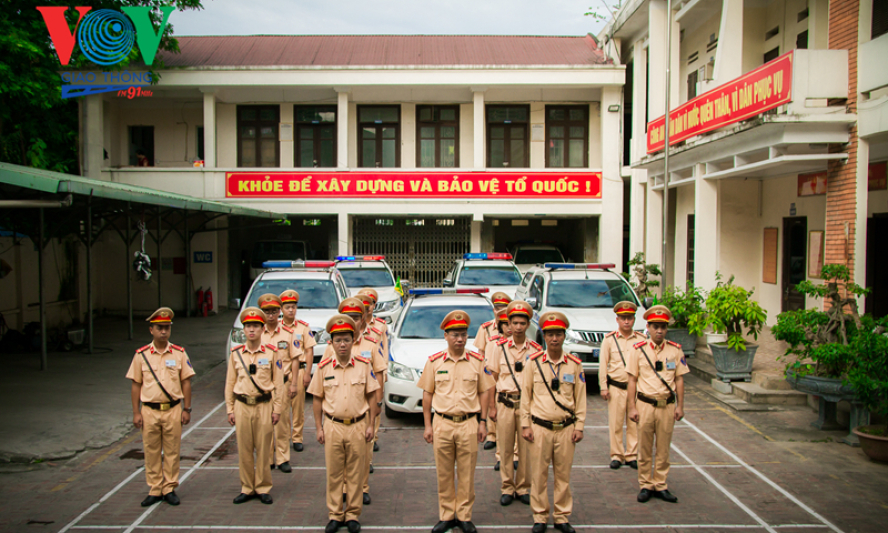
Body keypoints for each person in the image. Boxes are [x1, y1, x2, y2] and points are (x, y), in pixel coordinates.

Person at [419, 310, 495, 533]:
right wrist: (427, 425)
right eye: (455, 334)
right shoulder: (434, 362)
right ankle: (446, 514)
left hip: (468, 423)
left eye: (463, 334)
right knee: (443, 472)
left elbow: (484, 391)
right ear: (446, 335)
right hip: (442, 422)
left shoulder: (477, 361)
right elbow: (427, 395)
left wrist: (483, 422)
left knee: (466, 472)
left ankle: (463, 515)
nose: (460, 339)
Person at [308, 314, 379, 533]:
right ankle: (335, 514)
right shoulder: (323, 367)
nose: (342, 344)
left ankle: (353, 515)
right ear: (331, 342)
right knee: (334, 472)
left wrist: (370, 425)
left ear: (353, 340)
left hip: (358, 425)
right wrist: (319, 428)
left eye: (346, 339)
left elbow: (372, 396)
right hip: (333, 426)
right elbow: (317, 399)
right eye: (337, 340)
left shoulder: (363, 365)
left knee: (356, 472)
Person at [521, 312, 586, 533]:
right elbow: (525, 397)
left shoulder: (575, 364)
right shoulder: (533, 363)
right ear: (544, 337)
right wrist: (525, 425)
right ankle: (539, 517)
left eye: (558, 334)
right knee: (538, 475)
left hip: (566, 429)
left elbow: (581, 399)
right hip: (540, 427)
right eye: (550, 334)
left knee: (563, 475)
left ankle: (561, 516)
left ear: (564, 336)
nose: (554, 339)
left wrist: (579, 426)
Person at [126, 307, 194, 507]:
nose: (163, 331)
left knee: (172, 450)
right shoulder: (142, 355)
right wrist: (136, 412)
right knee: (151, 450)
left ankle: (169, 488)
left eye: (166, 327)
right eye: (159, 328)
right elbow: (136, 384)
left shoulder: (180, 353)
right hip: (149, 410)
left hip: (173, 409)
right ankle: (155, 488)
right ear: (151, 330)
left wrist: (186, 409)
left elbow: (186, 382)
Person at [323, 297, 386, 505]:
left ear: (363, 319)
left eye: (356, 317)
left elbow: (378, 373)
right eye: (348, 317)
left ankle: (362, 487)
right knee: (339, 456)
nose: (353, 320)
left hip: (364, 408)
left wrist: (377, 403)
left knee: (364, 453)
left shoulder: (372, 341)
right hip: (339, 408)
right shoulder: (332, 345)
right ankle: (342, 488)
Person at [627, 305, 688, 504]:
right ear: (648, 327)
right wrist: (632, 407)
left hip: (667, 406)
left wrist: (680, 406)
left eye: (662, 326)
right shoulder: (638, 350)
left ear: (666, 328)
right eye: (655, 326)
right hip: (645, 404)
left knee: (663, 448)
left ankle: (660, 484)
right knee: (644, 447)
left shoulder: (675, 350)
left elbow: (679, 379)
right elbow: (632, 380)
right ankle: (645, 484)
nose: (659, 330)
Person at [225, 307, 284, 505]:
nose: (252, 330)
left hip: (263, 405)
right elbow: (230, 383)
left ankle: (263, 487)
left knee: (264, 449)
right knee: (244, 449)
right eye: (248, 326)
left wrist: (277, 410)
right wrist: (230, 408)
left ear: (262, 329)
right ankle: (247, 487)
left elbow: (278, 384)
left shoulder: (272, 353)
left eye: (256, 326)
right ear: (244, 330)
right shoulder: (236, 354)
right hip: (242, 406)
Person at [488, 301, 539, 506]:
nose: (517, 327)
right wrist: (492, 407)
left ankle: (524, 487)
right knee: (506, 448)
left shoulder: (535, 349)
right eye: (514, 322)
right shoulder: (498, 348)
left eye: (522, 323)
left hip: (527, 405)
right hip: (505, 403)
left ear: (528, 324)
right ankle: (507, 487)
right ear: (508, 323)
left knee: (526, 449)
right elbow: (492, 377)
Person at [598, 301, 645, 470]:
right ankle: (616, 454)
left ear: (634, 320)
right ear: (617, 319)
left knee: (634, 422)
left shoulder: (641, 340)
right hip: (616, 386)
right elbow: (603, 363)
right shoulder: (609, 340)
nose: (627, 321)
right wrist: (603, 386)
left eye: (630, 318)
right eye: (623, 318)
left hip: (635, 388)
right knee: (616, 422)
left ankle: (632, 454)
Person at [257, 293, 301, 473]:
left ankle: (283, 458)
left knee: (282, 422)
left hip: (282, 382)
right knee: (265, 423)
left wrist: (294, 383)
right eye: (267, 311)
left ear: (279, 312)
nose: (271, 315)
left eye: (274, 311)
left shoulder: (289, 334)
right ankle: (268, 458)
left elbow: (296, 359)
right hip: (263, 385)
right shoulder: (257, 334)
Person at [280, 289, 316, 453]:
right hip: (281, 373)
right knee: (281, 408)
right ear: (282, 309)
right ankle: (284, 436)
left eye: (293, 307)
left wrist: (308, 372)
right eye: (287, 307)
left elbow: (309, 351)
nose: (290, 310)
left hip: (299, 370)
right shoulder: (275, 329)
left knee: (298, 408)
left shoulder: (303, 327)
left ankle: (297, 438)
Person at [474, 291, 512, 452]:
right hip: (489, 368)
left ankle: (503, 438)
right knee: (491, 401)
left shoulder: (511, 327)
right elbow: (480, 352)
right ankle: (492, 435)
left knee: (502, 401)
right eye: (497, 308)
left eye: (503, 308)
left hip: (506, 369)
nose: (499, 311)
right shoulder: (486, 328)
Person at [356, 289, 387, 457]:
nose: (368, 309)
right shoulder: (347, 335)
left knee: (374, 408)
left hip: (374, 374)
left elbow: (384, 350)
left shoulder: (380, 326)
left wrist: (384, 374)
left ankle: (373, 436)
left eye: (370, 305)